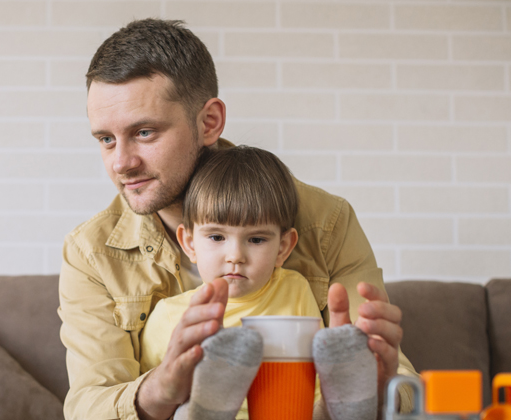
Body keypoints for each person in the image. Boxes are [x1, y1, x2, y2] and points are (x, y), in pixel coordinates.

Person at [58, 18, 417, 420]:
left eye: (144, 132)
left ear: (208, 122)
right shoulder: (91, 253)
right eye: (105, 139)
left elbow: (395, 378)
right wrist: (163, 386)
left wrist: (375, 389)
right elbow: (88, 405)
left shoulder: (325, 221)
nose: (121, 162)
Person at [139, 145, 324, 419]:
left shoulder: (295, 290)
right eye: (216, 237)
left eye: (256, 239)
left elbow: (313, 381)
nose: (236, 256)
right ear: (189, 244)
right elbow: (152, 403)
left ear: (283, 248)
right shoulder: (169, 315)